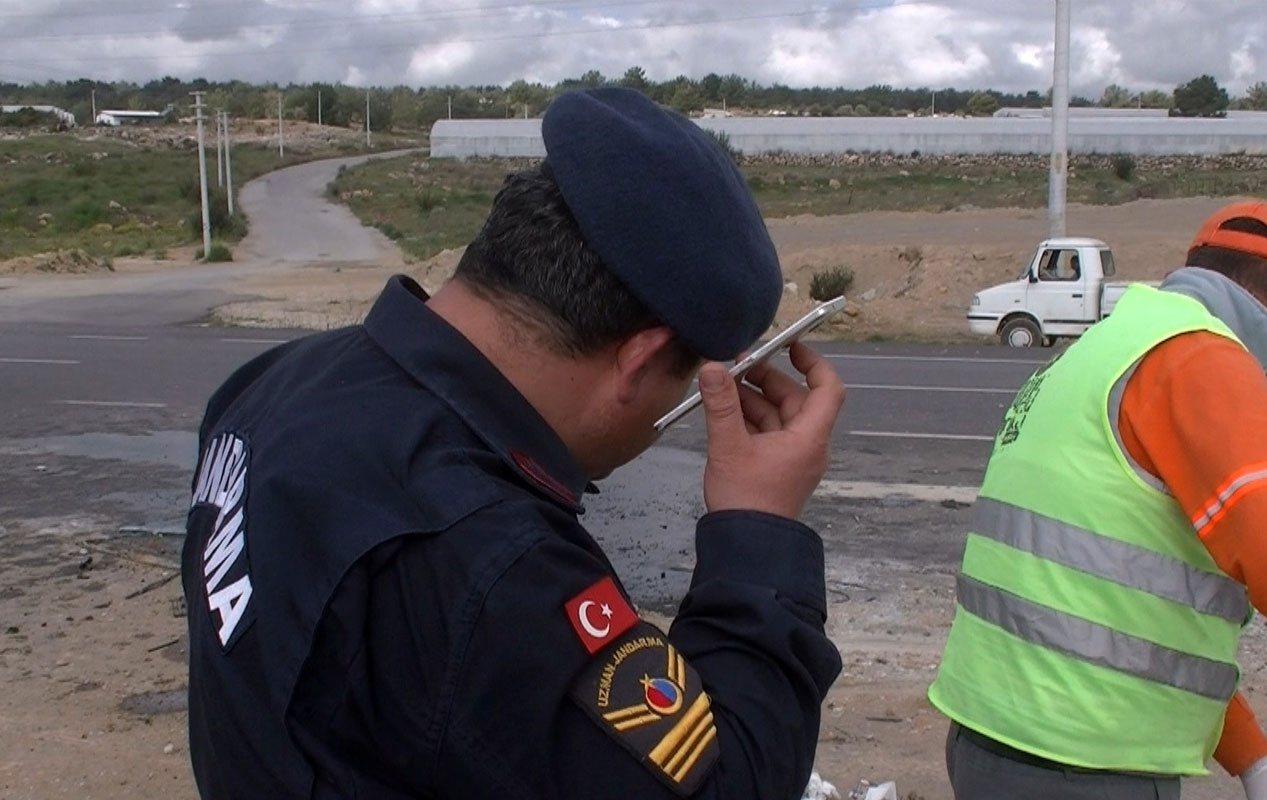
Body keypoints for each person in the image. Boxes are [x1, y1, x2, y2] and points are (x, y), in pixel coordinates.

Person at [181, 86, 846, 800]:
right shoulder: (488, 562)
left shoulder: (275, 383)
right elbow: (724, 784)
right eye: (681, 391)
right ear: (639, 360)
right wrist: (759, 536)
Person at [928, 199, 1267, 799]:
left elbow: (1122, 624)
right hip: (1089, 765)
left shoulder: (1104, 349)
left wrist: (1255, 760)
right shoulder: (1208, 360)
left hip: (995, 746)